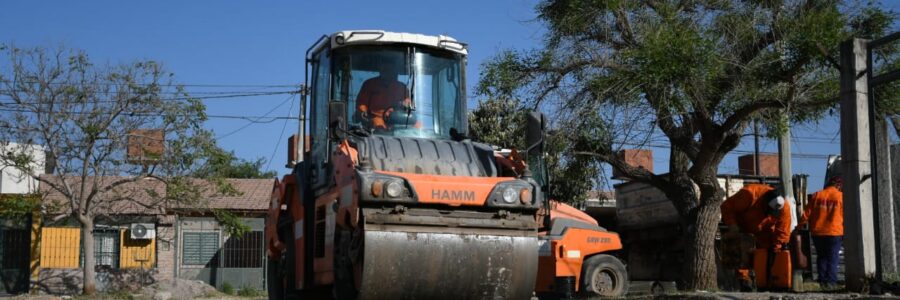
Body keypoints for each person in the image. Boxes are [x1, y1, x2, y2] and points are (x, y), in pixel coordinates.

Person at [721, 183, 792, 289]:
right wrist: (732, 225)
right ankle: (743, 280)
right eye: (769, 211)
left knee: (769, 251)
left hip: (765, 231)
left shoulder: (784, 208)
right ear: (764, 202)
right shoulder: (749, 195)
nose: (770, 214)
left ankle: (765, 281)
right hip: (742, 226)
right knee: (742, 248)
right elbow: (727, 207)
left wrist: (776, 252)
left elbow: (782, 232)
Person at [800, 176, 843, 289]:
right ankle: (831, 282)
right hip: (834, 232)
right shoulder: (841, 197)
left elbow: (806, 213)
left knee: (822, 257)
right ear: (838, 185)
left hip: (818, 232)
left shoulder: (817, 195)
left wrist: (799, 226)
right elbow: (845, 215)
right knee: (832, 257)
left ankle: (822, 281)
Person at [355, 61, 411, 130]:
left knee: (418, 126)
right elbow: (361, 103)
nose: (388, 71)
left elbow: (408, 104)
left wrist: (404, 105)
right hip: (375, 119)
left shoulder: (402, 88)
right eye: (385, 69)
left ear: (395, 71)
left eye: (391, 69)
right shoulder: (369, 84)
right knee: (378, 125)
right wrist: (364, 114)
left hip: (397, 120)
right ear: (380, 70)